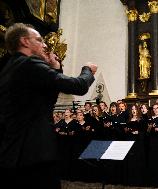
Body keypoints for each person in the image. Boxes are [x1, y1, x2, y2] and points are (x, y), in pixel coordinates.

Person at [0, 23, 97, 188]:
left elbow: (45, 100)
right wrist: (87, 70)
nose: (44, 45)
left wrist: (56, 68)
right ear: (25, 41)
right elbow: (78, 86)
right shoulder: (29, 64)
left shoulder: (10, 68)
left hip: (14, 153)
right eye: (39, 40)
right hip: (34, 154)